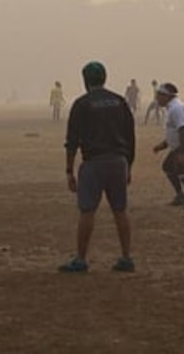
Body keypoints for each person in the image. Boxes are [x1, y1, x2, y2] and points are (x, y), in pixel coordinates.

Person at [60, 61, 135, 273]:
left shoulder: (82, 104)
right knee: (120, 210)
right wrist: (129, 165)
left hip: (93, 163)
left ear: (85, 80)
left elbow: (72, 141)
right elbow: (130, 136)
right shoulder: (119, 101)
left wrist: (69, 171)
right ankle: (126, 257)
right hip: (118, 161)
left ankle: (81, 259)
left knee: (87, 211)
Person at [153, 83, 184, 209]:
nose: (157, 99)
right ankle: (180, 196)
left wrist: (183, 152)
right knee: (168, 167)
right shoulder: (172, 107)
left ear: (167, 96)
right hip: (183, 144)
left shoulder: (176, 108)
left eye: (159, 96)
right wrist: (163, 145)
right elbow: (174, 131)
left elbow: (183, 129)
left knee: (182, 170)